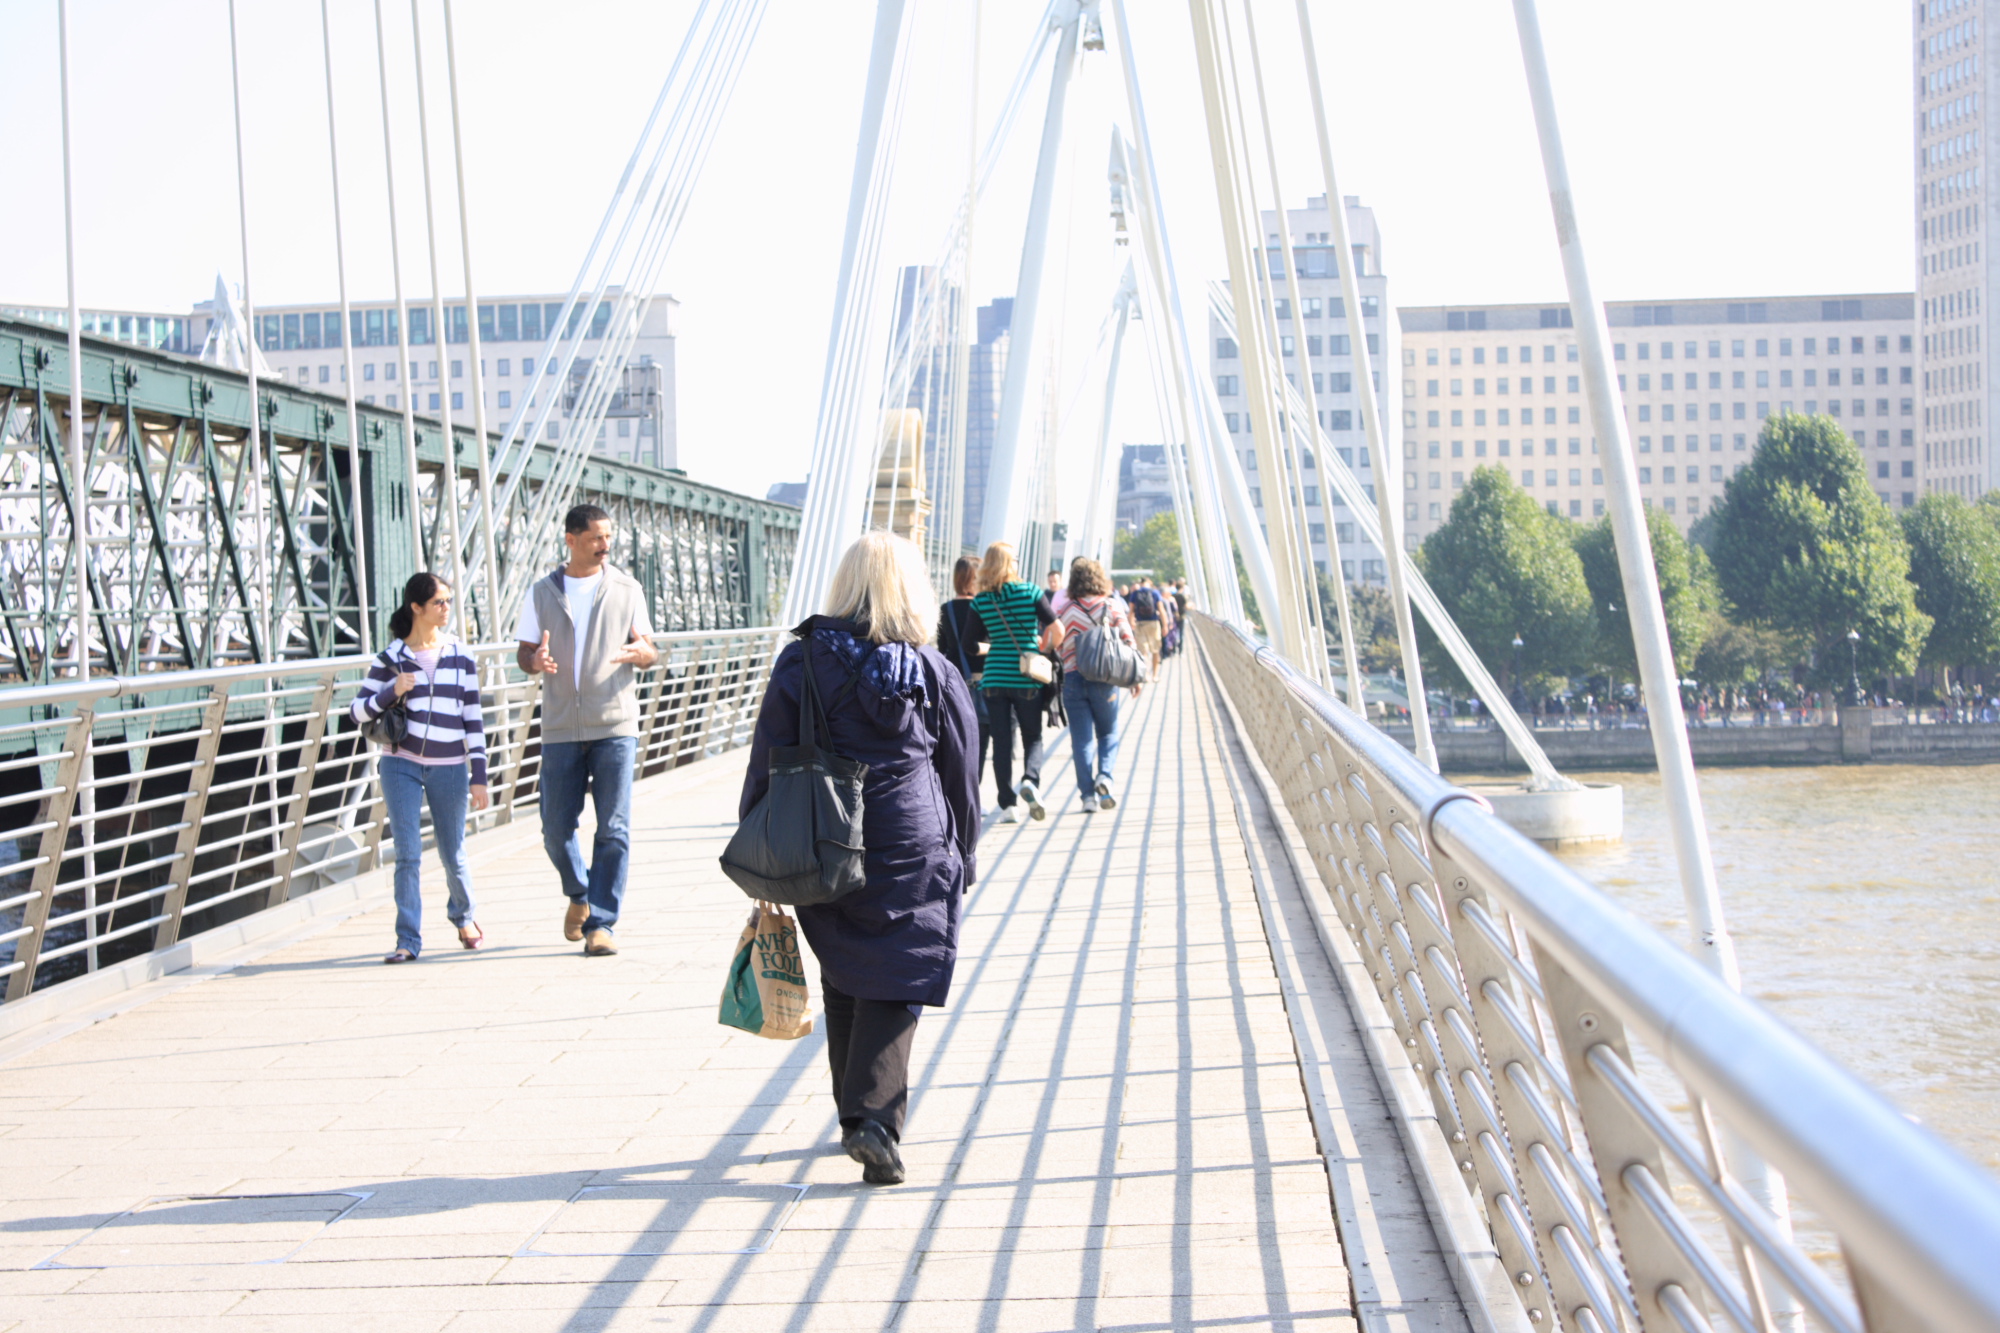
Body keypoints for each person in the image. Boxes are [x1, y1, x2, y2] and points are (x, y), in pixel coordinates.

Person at [740, 532, 979, 1186]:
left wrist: (759, 837)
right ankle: (874, 1117)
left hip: (823, 834)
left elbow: (767, 753)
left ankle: (854, 1115)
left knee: (845, 962)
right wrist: (965, 849)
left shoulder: (802, 663)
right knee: (899, 971)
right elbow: (961, 769)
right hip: (912, 838)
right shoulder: (933, 671)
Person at [516, 504, 659, 957]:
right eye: (596, 537)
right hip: (560, 726)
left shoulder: (626, 588)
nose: (605, 545)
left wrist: (643, 654)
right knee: (555, 829)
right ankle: (579, 893)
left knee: (613, 827)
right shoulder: (541, 593)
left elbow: (648, 647)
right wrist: (534, 661)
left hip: (615, 724)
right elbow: (523, 653)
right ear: (571, 540)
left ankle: (602, 923)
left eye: (608, 537)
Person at [351, 572, 488, 964]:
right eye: (439, 603)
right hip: (401, 765)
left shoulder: (461, 656)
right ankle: (407, 940)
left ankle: (464, 916)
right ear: (417, 608)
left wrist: (479, 776)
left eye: (448, 601)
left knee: (452, 851)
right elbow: (356, 712)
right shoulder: (390, 659)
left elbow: (473, 719)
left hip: (449, 766)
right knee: (408, 853)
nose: (447, 608)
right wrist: (391, 691)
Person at [970, 541, 1057, 823]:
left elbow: (970, 644)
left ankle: (1007, 805)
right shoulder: (1030, 591)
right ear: (1011, 563)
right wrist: (1043, 648)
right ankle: (1030, 780)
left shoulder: (981, 600)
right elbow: (1057, 627)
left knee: (1002, 742)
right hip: (1026, 677)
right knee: (1033, 736)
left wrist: (994, 648)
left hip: (994, 678)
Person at [1047, 558, 1140, 813]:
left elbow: (1054, 643)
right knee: (1108, 733)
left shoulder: (1066, 610)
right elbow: (1128, 640)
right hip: (1105, 679)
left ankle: (1087, 796)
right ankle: (1105, 778)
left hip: (1073, 680)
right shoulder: (1110, 606)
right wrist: (1134, 679)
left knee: (1081, 740)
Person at [936, 555, 992, 788]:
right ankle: (973, 795)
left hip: (953, 685)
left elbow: (942, 649)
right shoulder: (984, 607)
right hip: (982, 683)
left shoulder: (944, 609)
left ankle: (953, 793)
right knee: (979, 743)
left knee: (956, 742)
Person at [1127, 576, 1166, 675]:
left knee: (1143, 651)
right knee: (1155, 650)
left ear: (1140, 583)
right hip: (1153, 624)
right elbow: (1161, 610)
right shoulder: (1155, 592)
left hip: (1140, 624)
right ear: (1149, 582)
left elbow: (1131, 611)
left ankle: (1146, 674)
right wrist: (1165, 625)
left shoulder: (1136, 593)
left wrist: (1130, 623)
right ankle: (1155, 674)